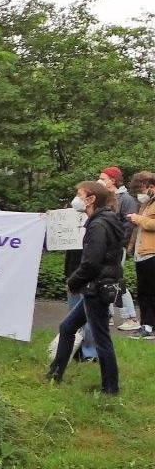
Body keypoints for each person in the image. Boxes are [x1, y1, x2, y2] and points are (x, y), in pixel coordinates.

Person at [46, 181, 124, 395]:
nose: (77, 199)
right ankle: (55, 373)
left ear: (91, 199)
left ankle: (110, 389)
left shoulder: (98, 225)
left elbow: (91, 262)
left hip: (96, 288)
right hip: (97, 286)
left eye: (80, 195)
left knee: (101, 339)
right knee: (67, 327)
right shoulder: (103, 220)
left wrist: (73, 282)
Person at [100, 166, 140, 331]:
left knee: (117, 281)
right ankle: (106, 315)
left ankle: (131, 317)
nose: (100, 181)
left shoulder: (126, 200)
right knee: (104, 280)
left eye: (103, 178)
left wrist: (116, 243)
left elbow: (127, 226)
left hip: (116, 247)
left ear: (113, 180)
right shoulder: (106, 198)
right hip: (104, 247)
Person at [125, 171, 155, 340]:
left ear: (151, 186)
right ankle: (149, 325)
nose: (141, 193)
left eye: (142, 188)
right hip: (141, 254)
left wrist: (139, 219)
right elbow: (139, 228)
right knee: (144, 292)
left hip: (152, 254)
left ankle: (147, 326)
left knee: (148, 293)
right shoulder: (146, 205)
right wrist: (130, 246)